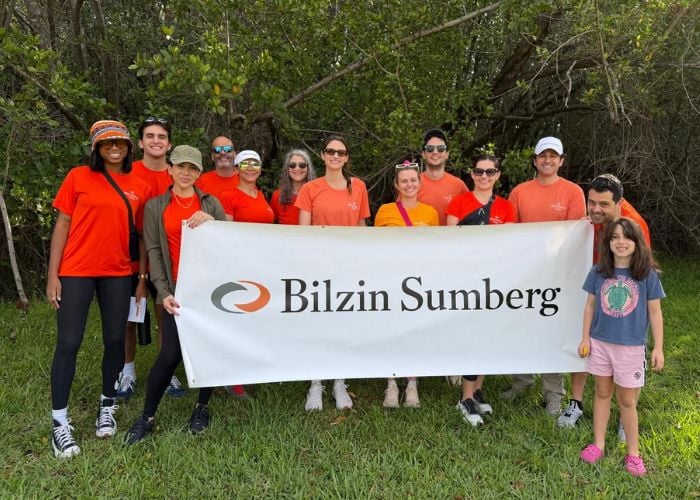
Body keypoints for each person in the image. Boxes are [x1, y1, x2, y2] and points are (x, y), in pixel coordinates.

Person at [47, 120, 151, 458]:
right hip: (76, 270)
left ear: (128, 147)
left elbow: (142, 237)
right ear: (96, 148)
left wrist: (141, 279)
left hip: (119, 272)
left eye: (119, 143)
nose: (114, 148)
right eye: (107, 144)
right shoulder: (78, 176)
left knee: (116, 340)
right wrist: (53, 275)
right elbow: (62, 224)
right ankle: (59, 422)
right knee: (69, 341)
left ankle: (108, 404)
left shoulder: (138, 183)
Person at [124, 145, 227, 445]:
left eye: (192, 168)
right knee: (170, 354)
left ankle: (201, 407)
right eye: (180, 166)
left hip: (209, 290)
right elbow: (154, 251)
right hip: (176, 290)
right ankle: (147, 417)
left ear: (198, 173)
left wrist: (214, 224)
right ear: (170, 169)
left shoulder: (210, 204)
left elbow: (231, 244)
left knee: (206, 351)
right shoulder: (157, 207)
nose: (186, 172)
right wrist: (163, 291)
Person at [558, 174, 651, 433]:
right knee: (585, 342)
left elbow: (643, 273)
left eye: (603, 204)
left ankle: (625, 414)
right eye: (592, 202)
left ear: (619, 204)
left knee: (628, 354)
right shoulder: (591, 222)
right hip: (596, 288)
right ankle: (575, 402)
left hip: (626, 298)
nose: (596, 209)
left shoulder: (634, 227)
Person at [501, 136, 586, 416]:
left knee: (552, 331)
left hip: (559, 275)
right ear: (535, 160)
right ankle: (522, 381)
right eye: (542, 155)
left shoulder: (572, 192)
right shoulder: (519, 192)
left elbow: (576, 235)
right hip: (526, 274)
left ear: (561, 161)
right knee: (523, 327)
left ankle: (553, 393)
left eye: (553, 156)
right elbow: (510, 235)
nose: (547, 160)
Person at [578, 217, 664, 477]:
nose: (620, 242)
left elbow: (656, 313)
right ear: (608, 243)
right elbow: (590, 306)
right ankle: (598, 444)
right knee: (602, 392)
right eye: (614, 237)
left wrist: (658, 347)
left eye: (626, 237)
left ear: (637, 242)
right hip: (600, 343)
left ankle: (634, 453)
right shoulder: (599, 271)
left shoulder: (647, 274)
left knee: (627, 400)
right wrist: (585, 338)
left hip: (630, 347)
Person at [296, 136, 370, 410]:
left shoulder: (358, 187)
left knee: (343, 325)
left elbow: (362, 229)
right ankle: (316, 383)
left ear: (346, 157)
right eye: (330, 152)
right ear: (323, 155)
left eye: (341, 152)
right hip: (318, 268)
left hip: (349, 269)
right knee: (318, 324)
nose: (335, 156)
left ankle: (340, 381)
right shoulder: (310, 189)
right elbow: (303, 234)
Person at [116, 117, 186, 401]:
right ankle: (127, 371)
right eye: (150, 136)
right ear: (141, 142)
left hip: (168, 257)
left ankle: (165, 370)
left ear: (169, 143)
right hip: (132, 253)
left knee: (164, 314)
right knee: (129, 316)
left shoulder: (178, 173)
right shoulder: (127, 172)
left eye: (161, 136)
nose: (156, 141)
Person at [446, 154, 516, 425]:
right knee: (471, 336)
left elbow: (507, 245)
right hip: (465, 280)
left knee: (488, 336)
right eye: (479, 171)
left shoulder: (506, 207)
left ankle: (477, 390)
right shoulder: (459, 203)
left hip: (494, 279)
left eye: (490, 172)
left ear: (498, 174)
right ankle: (465, 397)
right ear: (472, 175)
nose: (484, 176)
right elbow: (451, 244)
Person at [375, 161, 438, 408]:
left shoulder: (431, 213)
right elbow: (376, 248)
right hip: (391, 279)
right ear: (396, 185)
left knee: (415, 330)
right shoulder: (385, 211)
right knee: (391, 329)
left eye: (413, 180)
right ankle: (391, 383)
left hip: (419, 281)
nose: (409, 185)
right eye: (404, 181)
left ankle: (412, 383)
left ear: (420, 183)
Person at [416, 128, 468, 226]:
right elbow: (401, 214)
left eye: (440, 148)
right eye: (430, 148)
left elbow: (472, 217)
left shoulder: (459, 185)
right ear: (423, 154)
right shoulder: (412, 184)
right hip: (421, 239)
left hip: (451, 240)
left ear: (447, 154)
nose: (435, 152)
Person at [220, 150, 275, 224]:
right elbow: (226, 229)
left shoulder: (261, 195)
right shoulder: (228, 196)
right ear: (236, 169)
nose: (250, 168)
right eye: (244, 164)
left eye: (255, 165)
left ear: (260, 171)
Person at [270, 149, 317, 225]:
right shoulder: (277, 196)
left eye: (302, 165)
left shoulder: (318, 194)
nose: (297, 168)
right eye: (292, 165)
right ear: (287, 169)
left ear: (308, 168)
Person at [195, 136, 239, 200]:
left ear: (234, 154)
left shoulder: (244, 181)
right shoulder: (201, 181)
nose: (223, 153)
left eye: (227, 149)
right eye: (217, 150)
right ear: (212, 156)